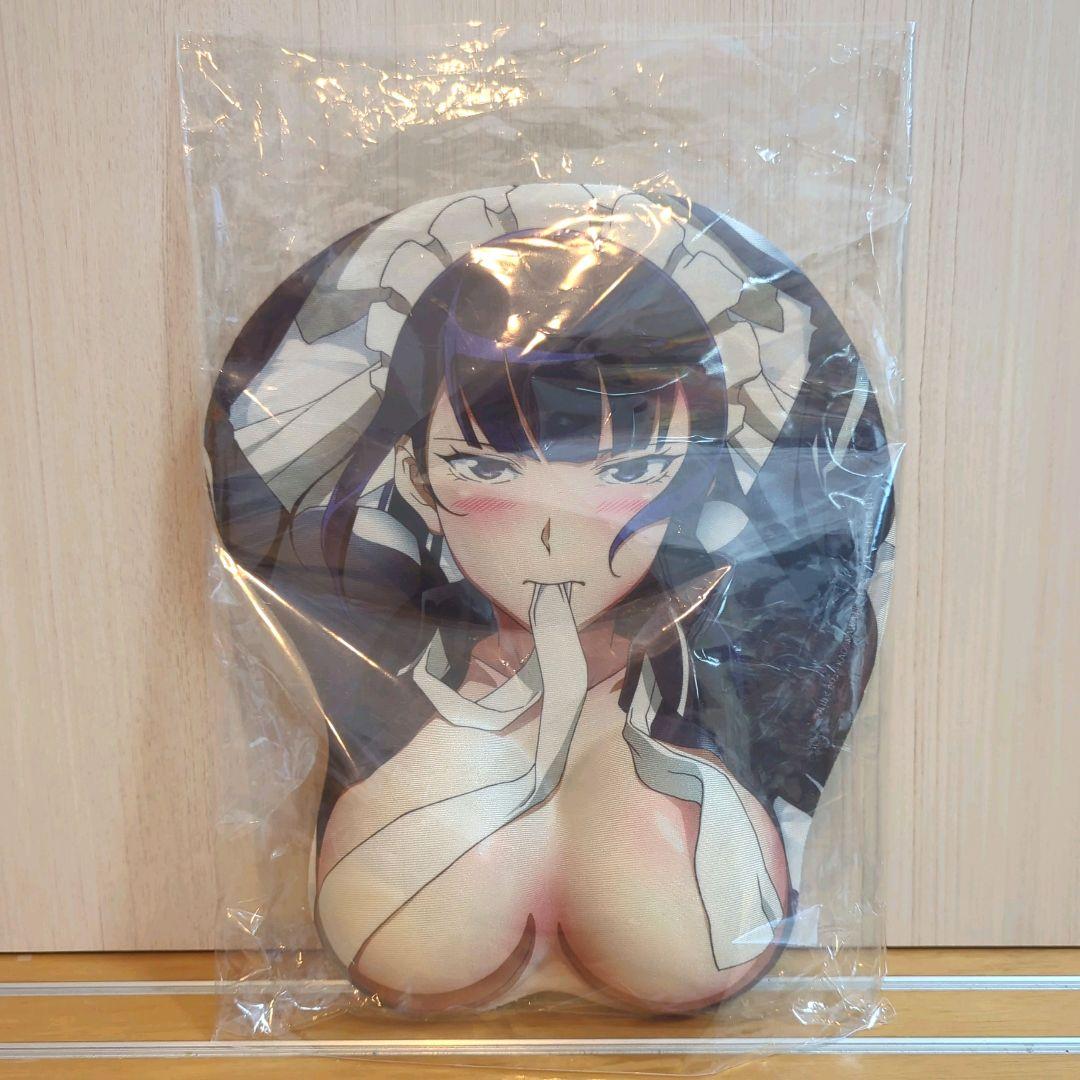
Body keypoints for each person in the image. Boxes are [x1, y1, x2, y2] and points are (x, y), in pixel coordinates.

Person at [206, 185, 895, 1015]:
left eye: (633, 468)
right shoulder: (383, 651)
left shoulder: (717, 658)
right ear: (415, 477)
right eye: (486, 468)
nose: (553, 534)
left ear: (698, 475)